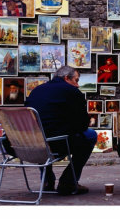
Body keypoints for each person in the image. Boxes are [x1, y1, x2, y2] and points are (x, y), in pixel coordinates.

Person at [25, 66, 97, 195]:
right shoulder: (72, 92)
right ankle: (68, 181)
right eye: (76, 80)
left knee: (41, 135)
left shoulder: (36, 90)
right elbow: (83, 124)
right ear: (66, 78)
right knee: (91, 135)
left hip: (30, 144)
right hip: (57, 143)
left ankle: (47, 180)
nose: (78, 85)